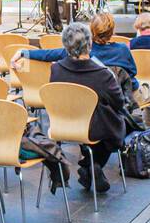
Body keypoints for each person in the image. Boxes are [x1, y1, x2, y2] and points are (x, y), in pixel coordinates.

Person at [48, 22, 127, 193]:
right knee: (115, 121)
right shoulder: (103, 74)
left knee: (99, 118)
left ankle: (88, 165)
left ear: (65, 45)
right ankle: (92, 164)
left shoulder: (55, 70)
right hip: (93, 129)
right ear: (89, 44)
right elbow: (119, 103)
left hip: (62, 125)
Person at [13, 11, 137, 85]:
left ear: (91, 30)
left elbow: (48, 54)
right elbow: (132, 73)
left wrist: (24, 52)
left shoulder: (79, 51)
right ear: (112, 31)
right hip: (115, 101)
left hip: (86, 102)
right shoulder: (122, 49)